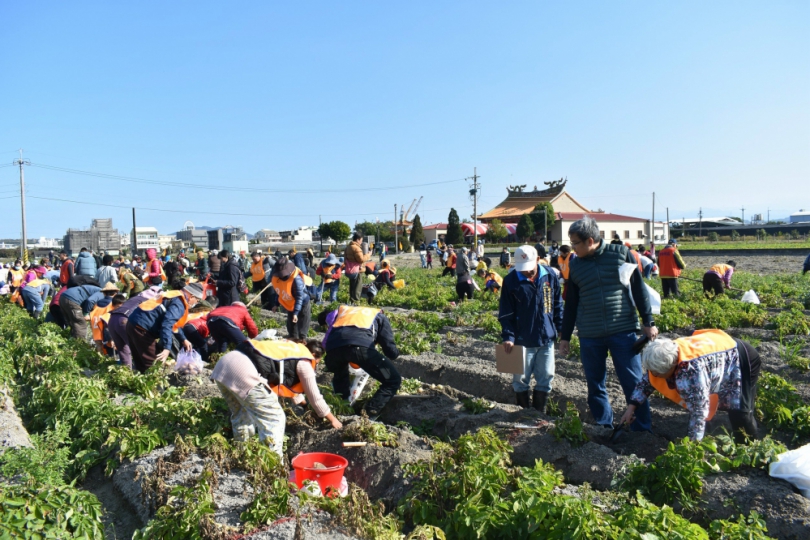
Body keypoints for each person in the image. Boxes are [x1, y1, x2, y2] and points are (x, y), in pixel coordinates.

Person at [558, 217, 657, 432]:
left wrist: (647, 322)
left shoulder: (621, 255)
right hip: (590, 334)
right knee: (595, 385)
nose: (572, 247)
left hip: (622, 330)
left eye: (575, 243)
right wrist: (565, 336)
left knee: (632, 382)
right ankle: (604, 426)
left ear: (590, 241)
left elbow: (639, 290)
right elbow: (571, 304)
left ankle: (642, 429)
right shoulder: (574, 266)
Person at [621, 330, 760, 443]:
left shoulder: (692, 373)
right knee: (722, 406)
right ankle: (714, 434)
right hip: (716, 353)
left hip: (742, 356)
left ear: (671, 366)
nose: (654, 375)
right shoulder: (663, 353)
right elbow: (647, 381)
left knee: (739, 411)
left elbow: (699, 412)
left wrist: (692, 447)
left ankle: (750, 449)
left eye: (657, 373)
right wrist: (631, 408)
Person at [499, 245, 563, 411]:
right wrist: (508, 336)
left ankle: (539, 414)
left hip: (546, 338)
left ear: (537, 260)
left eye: (529, 268)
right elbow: (506, 312)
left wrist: (561, 329)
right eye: (522, 269)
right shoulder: (511, 280)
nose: (526, 272)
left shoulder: (550, 276)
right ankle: (524, 413)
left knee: (546, 377)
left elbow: (557, 305)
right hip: (522, 340)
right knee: (520, 380)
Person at [235, 338, 343, 432]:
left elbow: (291, 387)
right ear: (314, 355)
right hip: (246, 373)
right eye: (317, 362)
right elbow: (315, 398)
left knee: (242, 415)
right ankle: (272, 451)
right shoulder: (305, 362)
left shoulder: (293, 349)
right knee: (275, 418)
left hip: (232, 361)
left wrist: (305, 406)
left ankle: (243, 445)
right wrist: (333, 420)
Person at [318, 305, 401, 419]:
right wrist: (396, 352)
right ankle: (368, 413)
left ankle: (343, 407)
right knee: (392, 379)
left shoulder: (344, 312)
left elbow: (329, 336)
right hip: (360, 350)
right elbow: (390, 351)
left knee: (340, 374)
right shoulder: (379, 315)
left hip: (333, 352)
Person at [209, 344, 287, 457]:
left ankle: (243, 453)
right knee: (274, 418)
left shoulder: (275, 348)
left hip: (223, 367)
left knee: (241, 412)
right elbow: (311, 391)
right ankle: (272, 463)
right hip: (242, 373)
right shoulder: (302, 363)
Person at [126, 283, 204, 373]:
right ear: (192, 296)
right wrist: (167, 348)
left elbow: (174, 325)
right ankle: (154, 385)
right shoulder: (179, 304)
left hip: (133, 324)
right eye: (197, 300)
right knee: (153, 364)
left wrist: (183, 339)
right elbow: (167, 324)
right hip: (142, 329)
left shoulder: (174, 294)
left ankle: (138, 383)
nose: (196, 303)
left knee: (140, 361)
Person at [107, 291, 155, 368]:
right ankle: (145, 371)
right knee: (138, 348)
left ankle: (127, 373)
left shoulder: (133, 300)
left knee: (123, 350)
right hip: (123, 320)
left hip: (112, 320)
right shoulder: (148, 301)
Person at [271, 257, 312, 340]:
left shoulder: (296, 279)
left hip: (302, 302)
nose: (280, 276)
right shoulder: (277, 279)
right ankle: (293, 339)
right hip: (289, 303)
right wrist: (276, 304)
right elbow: (279, 292)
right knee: (291, 327)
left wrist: (296, 313)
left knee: (302, 327)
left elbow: (299, 297)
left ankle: (302, 342)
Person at [89, 285, 123, 353]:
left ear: (104, 293)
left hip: (96, 330)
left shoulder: (97, 304)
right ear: (115, 293)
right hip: (107, 332)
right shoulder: (113, 305)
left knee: (100, 352)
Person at [343, 233, 371, 305]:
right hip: (357, 270)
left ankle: (352, 300)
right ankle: (356, 301)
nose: (361, 242)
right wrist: (368, 255)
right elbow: (361, 260)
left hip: (350, 270)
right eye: (361, 240)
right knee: (358, 286)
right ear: (358, 239)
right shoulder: (356, 248)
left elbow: (345, 260)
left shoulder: (348, 247)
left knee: (352, 286)